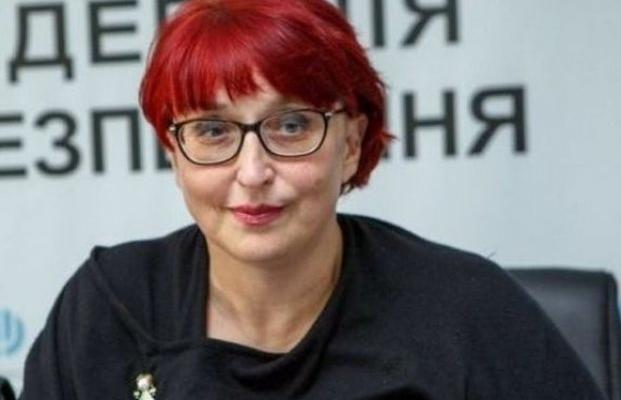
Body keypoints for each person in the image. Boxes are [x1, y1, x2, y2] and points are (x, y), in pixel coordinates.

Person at [20, 0, 605, 399]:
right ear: (174, 153)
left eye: (292, 126)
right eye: (214, 131)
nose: (253, 172)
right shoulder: (109, 306)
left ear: (350, 145)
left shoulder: (469, 312)